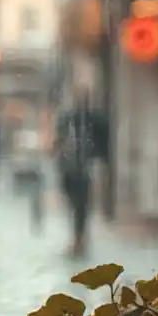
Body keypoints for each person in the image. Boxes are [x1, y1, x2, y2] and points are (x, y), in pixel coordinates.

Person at [54, 81, 110, 257]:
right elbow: (59, 141)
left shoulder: (95, 120)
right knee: (73, 204)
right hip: (69, 169)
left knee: (82, 205)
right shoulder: (67, 119)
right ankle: (77, 237)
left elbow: (103, 144)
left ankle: (79, 239)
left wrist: (101, 162)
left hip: (85, 168)